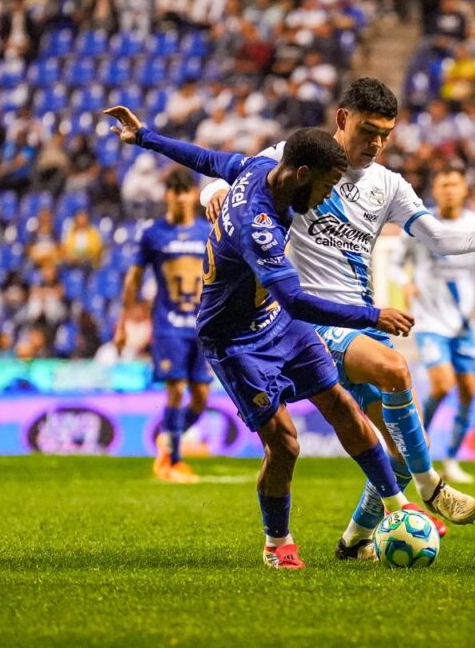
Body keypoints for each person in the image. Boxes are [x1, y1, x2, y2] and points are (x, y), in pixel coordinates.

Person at [198, 79, 475, 557]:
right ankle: (431, 491)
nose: (376, 143)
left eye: (385, 135)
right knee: (395, 371)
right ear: (342, 119)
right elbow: (238, 173)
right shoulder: (299, 156)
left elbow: (434, 235)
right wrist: (213, 189)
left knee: (395, 455)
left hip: (363, 323)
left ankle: (355, 540)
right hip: (311, 318)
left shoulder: (388, 185)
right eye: (368, 130)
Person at [107, 106, 418, 570]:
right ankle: (277, 542)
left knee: (342, 405)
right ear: (302, 174)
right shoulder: (258, 226)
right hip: (234, 340)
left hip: (273, 319)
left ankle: (398, 507)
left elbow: (207, 160)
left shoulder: (259, 168)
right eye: (328, 185)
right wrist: (373, 315)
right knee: (285, 443)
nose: (329, 195)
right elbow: (297, 300)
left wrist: (146, 136)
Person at [391, 165, 475, 484]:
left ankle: (451, 459)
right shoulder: (420, 224)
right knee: (441, 384)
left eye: (455, 184)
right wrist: (406, 284)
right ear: (435, 190)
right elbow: (396, 265)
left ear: (465, 190)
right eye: (444, 184)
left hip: (463, 321)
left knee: (468, 390)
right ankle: (417, 445)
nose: (450, 189)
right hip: (429, 320)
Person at [115, 168, 212, 484]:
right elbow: (134, 279)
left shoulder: (206, 232)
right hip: (168, 323)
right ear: (167, 194)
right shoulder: (153, 234)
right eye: (174, 190)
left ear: (193, 195)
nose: (180, 196)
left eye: (185, 190)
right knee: (176, 389)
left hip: (201, 326)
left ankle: (168, 439)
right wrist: (123, 323)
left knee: (200, 397)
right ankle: (172, 460)